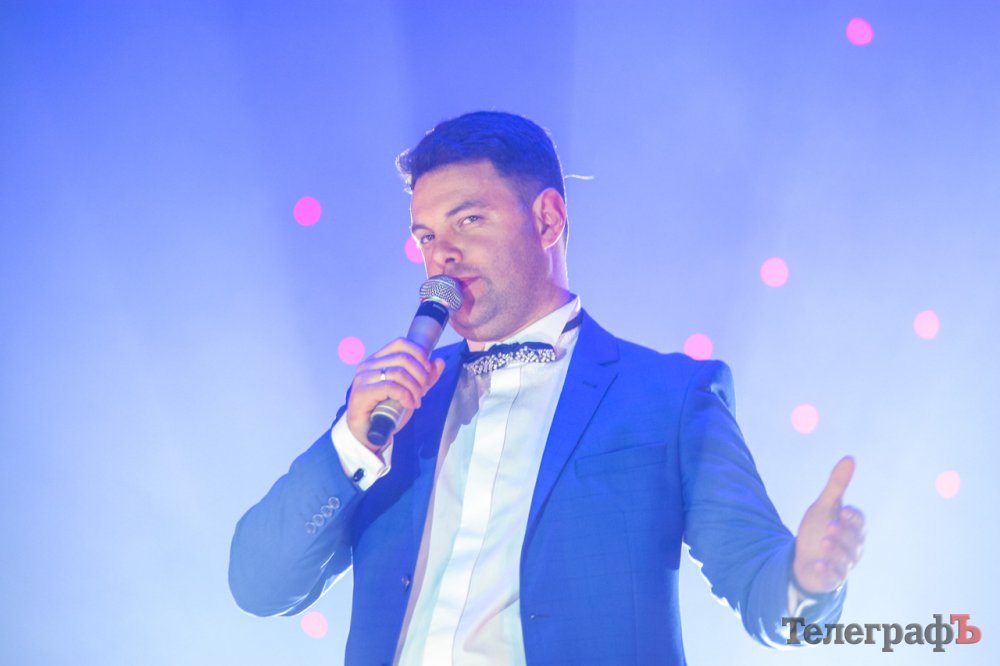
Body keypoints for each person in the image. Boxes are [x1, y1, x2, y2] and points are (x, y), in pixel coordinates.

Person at [228, 111, 866, 665]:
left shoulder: (668, 397)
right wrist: (348, 446)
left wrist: (807, 583)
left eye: (468, 220)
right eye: (426, 236)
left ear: (549, 219)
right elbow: (259, 586)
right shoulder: (394, 409)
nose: (440, 254)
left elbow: (763, 592)